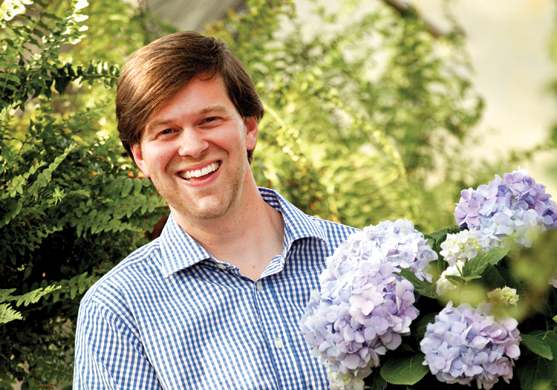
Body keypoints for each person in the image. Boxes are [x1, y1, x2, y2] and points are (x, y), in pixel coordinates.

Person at [73, 31, 357, 389]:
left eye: (209, 120)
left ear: (249, 127)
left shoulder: (358, 258)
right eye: (166, 131)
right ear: (140, 156)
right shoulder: (118, 312)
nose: (192, 147)